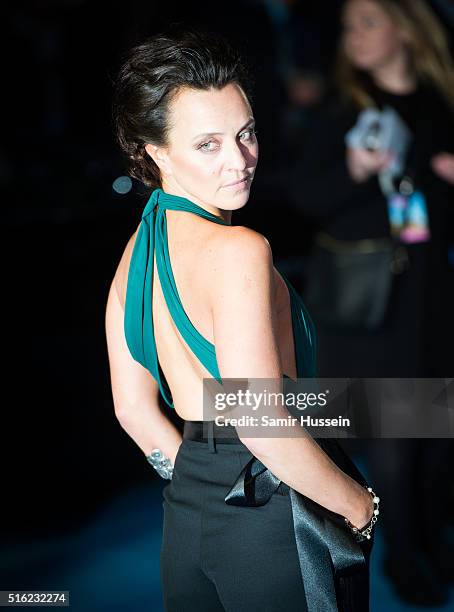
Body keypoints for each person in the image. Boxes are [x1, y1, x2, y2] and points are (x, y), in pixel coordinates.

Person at [105, 28, 378, 612]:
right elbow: (259, 422)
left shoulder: (137, 251)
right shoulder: (239, 250)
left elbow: (133, 410)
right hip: (276, 512)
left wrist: (207, 483)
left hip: (189, 519)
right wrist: (358, 505)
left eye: (246, 133)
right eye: (207, 144)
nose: (239, 161)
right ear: (154, 152)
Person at [283, 0, 454, 606]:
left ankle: (430, 545)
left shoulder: (440, 102)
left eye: (369, 21)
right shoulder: (343, 107)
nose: (353, 35)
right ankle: (408, 563)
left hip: (430, 291)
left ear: (407, 27)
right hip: (369, 303)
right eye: (349, 24)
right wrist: (356, 170)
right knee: (395, 440)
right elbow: (304, 194)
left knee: (438, 436)